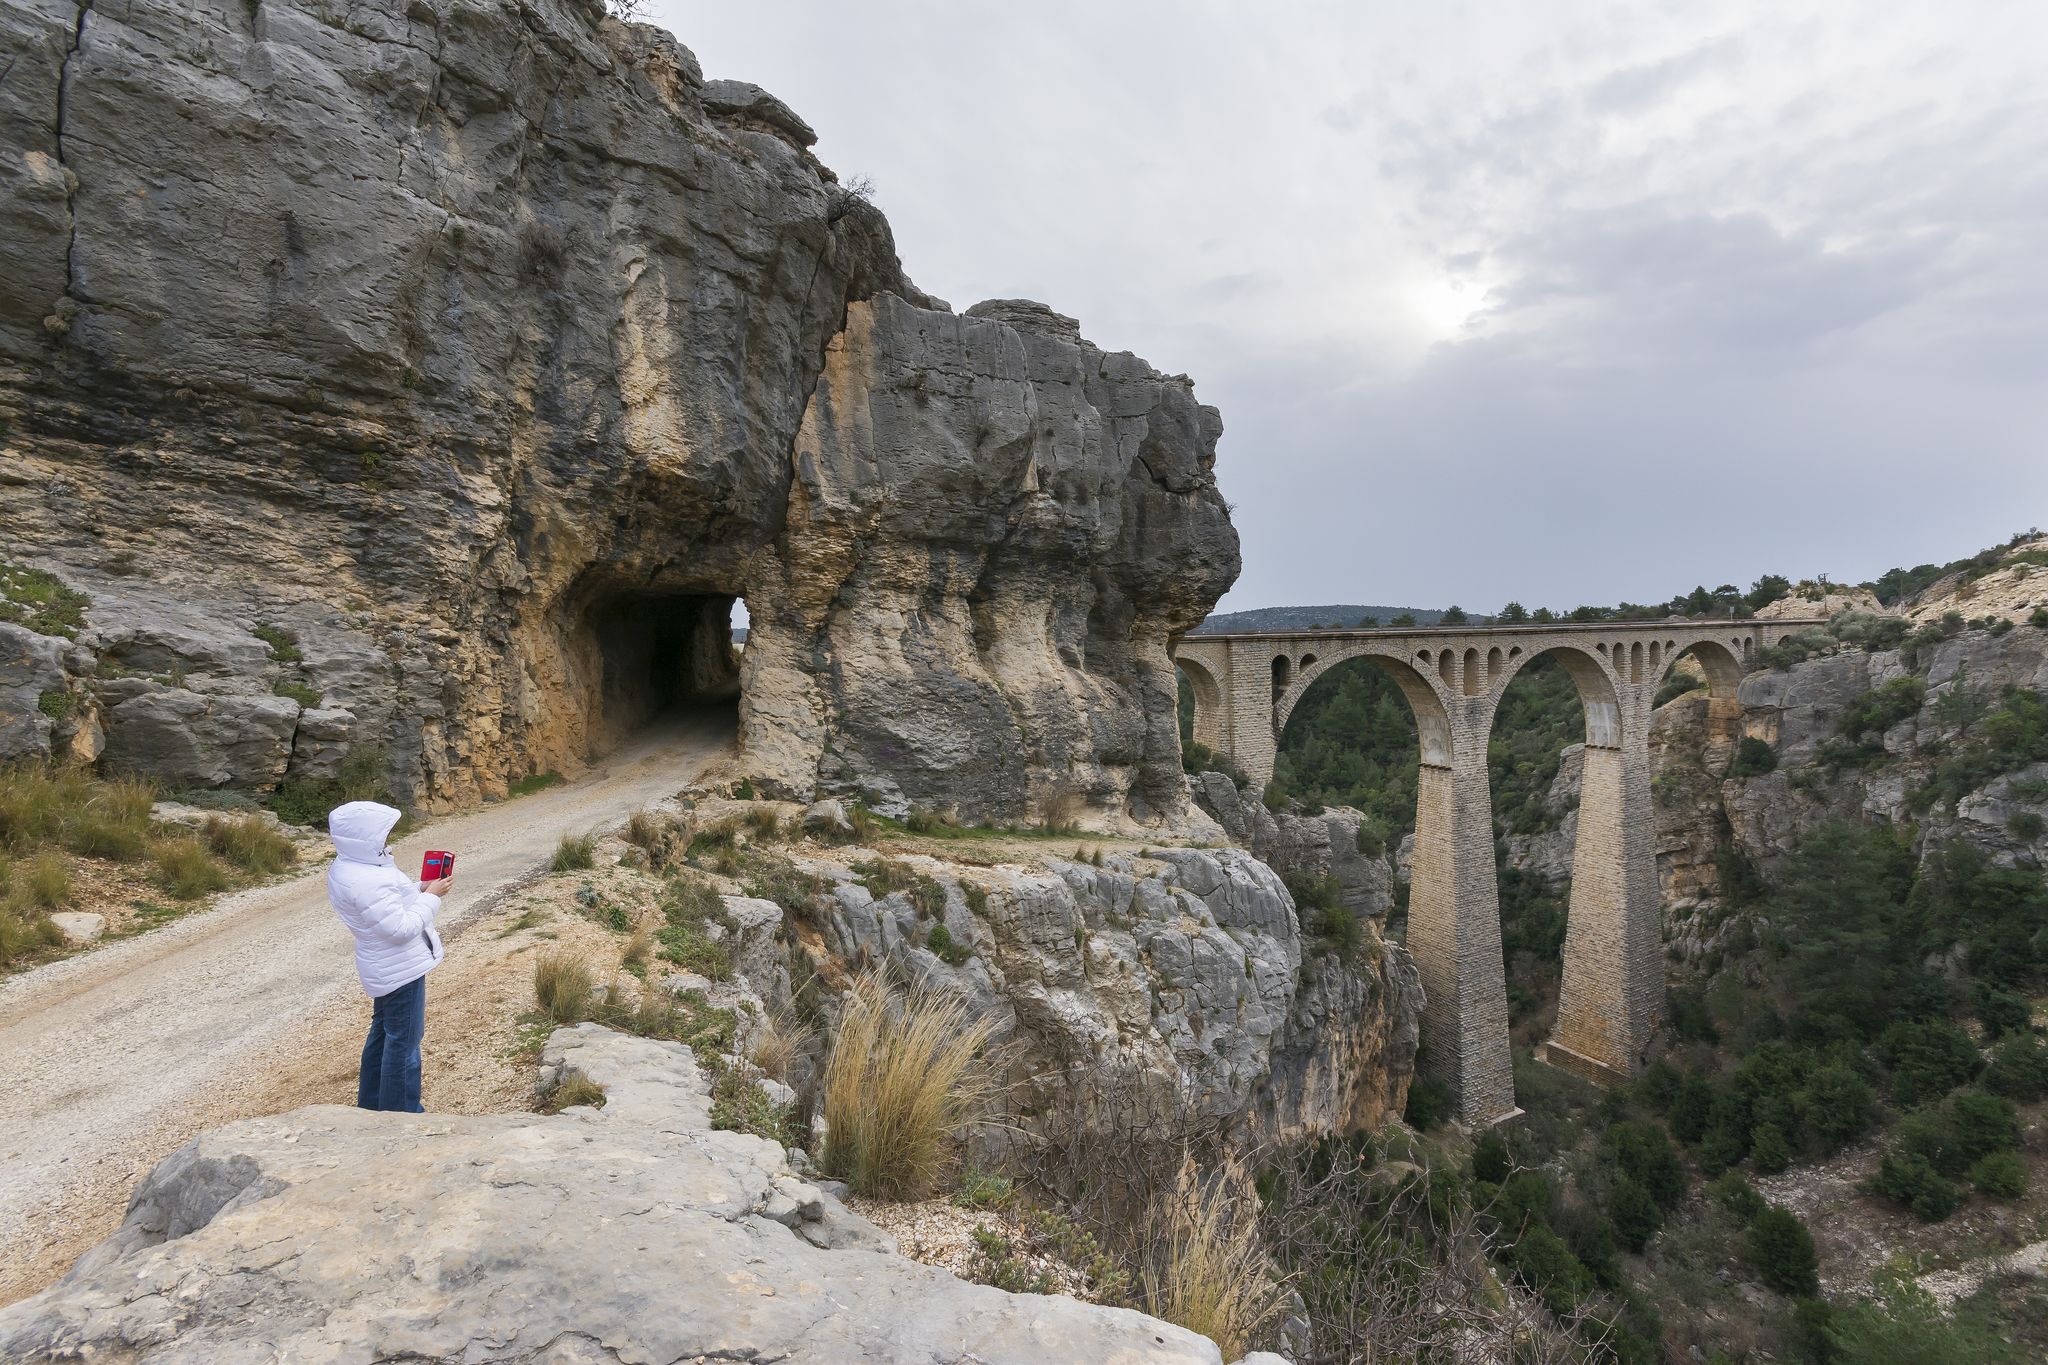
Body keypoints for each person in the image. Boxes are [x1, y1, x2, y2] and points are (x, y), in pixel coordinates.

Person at [325, 801, 454, 1113]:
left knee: (384, 1033)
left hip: (384, 965)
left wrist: (418, 889)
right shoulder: (366, 878)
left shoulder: (350, 867)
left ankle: (371, 1106)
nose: (386, 840)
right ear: (364, 838)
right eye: (381, 834)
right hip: (400, 967)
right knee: (404, 1042)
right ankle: (401, 1114)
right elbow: (400, 928)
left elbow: (385, 906)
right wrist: (431, 897)